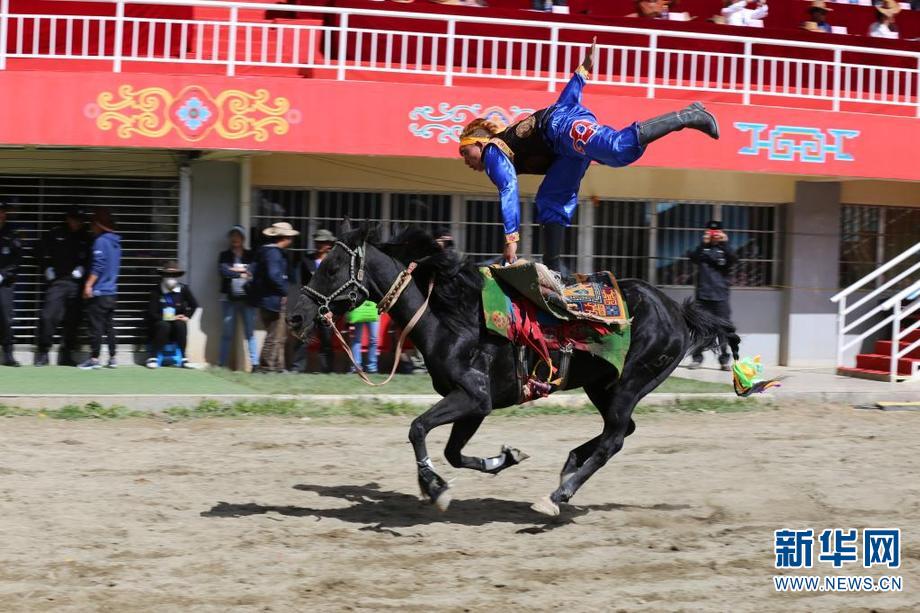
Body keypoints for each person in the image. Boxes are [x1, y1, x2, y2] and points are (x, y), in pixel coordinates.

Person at [457, 40, 718, 272]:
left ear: (480, 142)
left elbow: (509, 187)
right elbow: (565, 101)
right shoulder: (508, 145)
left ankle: (689, 115)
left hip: (562, 128)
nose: (466, 161)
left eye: (465, 152)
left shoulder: (492, 151)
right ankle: (553, 270)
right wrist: (582, 72)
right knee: (550, 200)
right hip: (563, 143)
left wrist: (511, 239)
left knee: (617, 149)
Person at [34, 206, 92, 367]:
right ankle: (43, 352)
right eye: (74, 219)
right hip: (57, 282)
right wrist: (46, 267)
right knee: (48, 316)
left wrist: (83, 268)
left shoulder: (86, 237)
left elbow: (93, 259)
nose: (77, 223)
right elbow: (38, 249)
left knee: (73, 320)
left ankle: (66, 353)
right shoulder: (56, 233)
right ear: (68, 219)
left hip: (76, 284)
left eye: (80, 220)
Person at [687, 221, 737, 371]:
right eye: (711, 232)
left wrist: (725, 244)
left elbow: (734, 260)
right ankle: (697, 359)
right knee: (700, 329)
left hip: (721, 297)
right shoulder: (702, 250)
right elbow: (693, 258)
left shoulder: (725, 250)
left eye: (717, 232)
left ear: (721, 233)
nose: (714, 235)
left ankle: (724, 361)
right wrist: (703, 244)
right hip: (703, 296)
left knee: (722, 330)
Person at [251, 221, 298, 373]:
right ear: (282, 237)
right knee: (274, 335)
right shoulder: (272, 253)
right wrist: (284, 290)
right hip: (272, 300)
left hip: (269, 298)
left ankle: (278, 367)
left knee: (280, 335)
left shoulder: (270, 252)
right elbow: (273, 275)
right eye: (289, 237)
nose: (291, 240)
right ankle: (265, 367)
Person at [79, 207, 121, 370]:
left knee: (95, 326)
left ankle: (94, 359)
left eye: (92, 224)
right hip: (111, 292)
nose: (91, 227)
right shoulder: (116, 242)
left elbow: (98, 266)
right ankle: (113, 358)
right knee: (109, 326)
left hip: (100, 292)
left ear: (98, 225)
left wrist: (88, 285)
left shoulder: (100, 241)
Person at [292, 228, 337, 373]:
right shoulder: (307, 260)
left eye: (323, 242)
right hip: (309, 305)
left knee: (326, 339)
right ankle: (297, 368)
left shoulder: (333, 261)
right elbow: (303, 283)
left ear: (328, 244)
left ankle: (327, 369)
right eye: (318, 242)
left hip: (326, 305)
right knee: (303, 336)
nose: (320, 245)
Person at [217, 225, 258, 370]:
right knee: (227, 333)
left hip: (247, 299)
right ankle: (222, 364)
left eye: (238, 235)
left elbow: (253, 271)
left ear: (243, 238)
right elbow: (223, 272)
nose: (235, 238)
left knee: (250, 333)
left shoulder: (251, 255)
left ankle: (255, 364)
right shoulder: (224, 255)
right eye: (232, 235)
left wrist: (233, 270)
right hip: (228, 299)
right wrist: (242, 273)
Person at [146, 261, 198, 368]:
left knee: (181, 324)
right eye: (168, 275)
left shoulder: (184, 289)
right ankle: (153, 357)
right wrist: (170, 318)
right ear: (163, 275)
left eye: (173, 275)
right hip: (159, 327)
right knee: (164, 325)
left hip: (176, 328)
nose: (170, 277)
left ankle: (184, 358)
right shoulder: (156, 291)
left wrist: (187, 316)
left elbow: (194, 305)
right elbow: (152, 313)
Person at [0, 201, 22, 367]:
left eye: (3, 212)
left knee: (6, 318)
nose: (1, 214)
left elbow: (17, 259)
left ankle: (8, 354)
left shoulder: (12, 233)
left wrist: (3, 274)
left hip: (5, 283)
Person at [347, 300, 379, 374]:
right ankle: (356, 367)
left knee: (373, 339)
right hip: (359, 309)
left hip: (373, 309)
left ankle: (372, 368)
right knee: (357, 339)